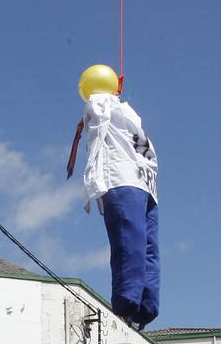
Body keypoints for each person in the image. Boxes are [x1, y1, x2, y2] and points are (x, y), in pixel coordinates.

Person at [66, 66, 160, 329]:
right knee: (147, 248)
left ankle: (126, 305)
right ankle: (146, 306)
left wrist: (93, 178)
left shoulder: (100, 102)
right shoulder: (131, 115)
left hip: (122, 181)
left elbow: (96, 117)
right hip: (146, 186)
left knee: (126, 242)